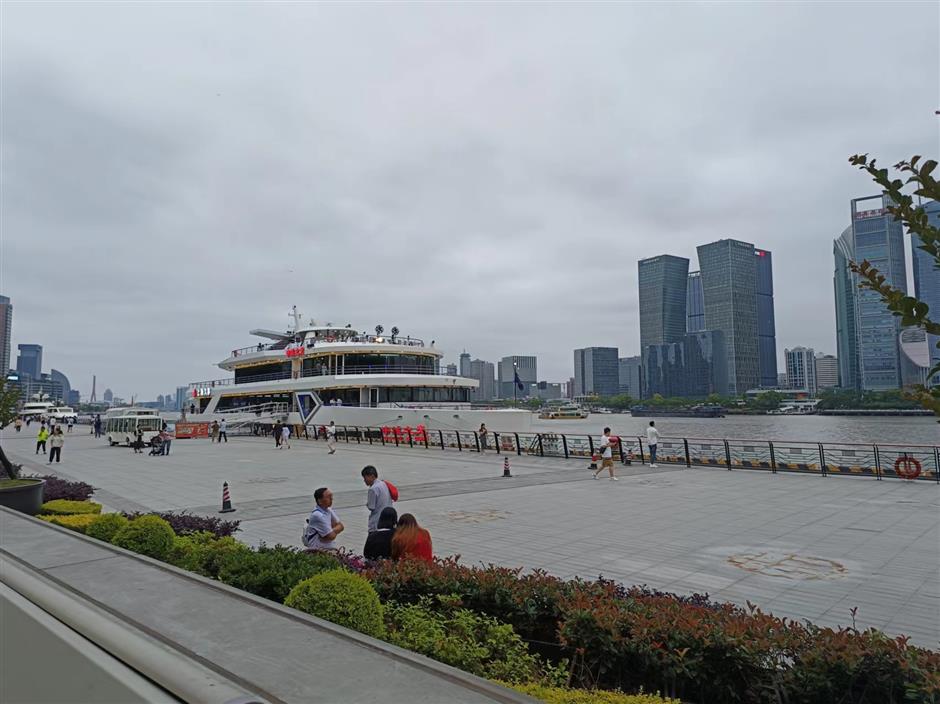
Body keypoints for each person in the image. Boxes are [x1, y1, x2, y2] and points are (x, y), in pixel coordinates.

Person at [361, 465, 393, 533]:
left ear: (372, 476)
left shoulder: (373, 489)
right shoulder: (383, 483)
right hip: (388, 519)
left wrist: (367, 504)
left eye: (365, 478)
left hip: (377, 521)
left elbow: (371, 507)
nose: (364, 480)